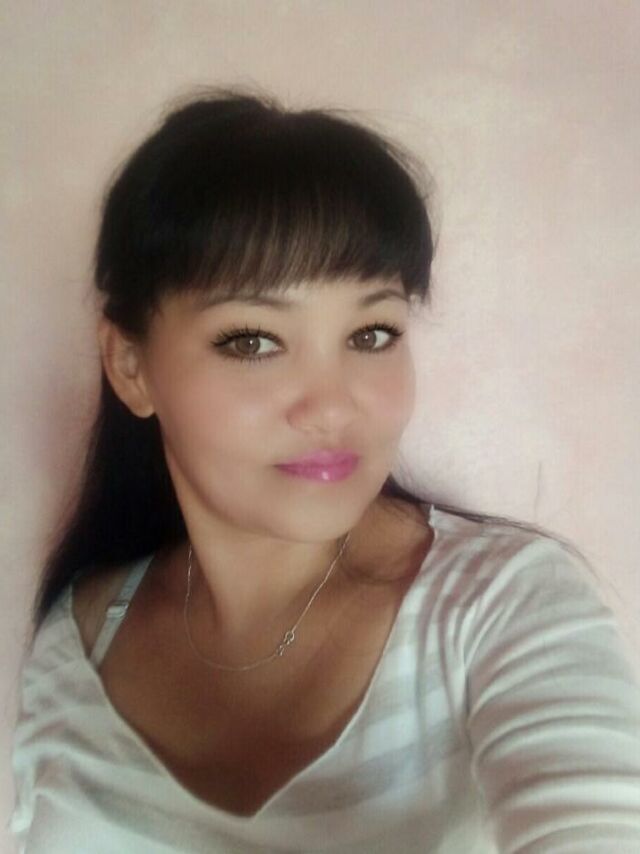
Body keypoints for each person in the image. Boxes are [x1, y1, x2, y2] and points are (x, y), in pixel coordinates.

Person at [9, 87, 640, 854]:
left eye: (372, 333)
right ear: (130, 365)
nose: (333, 405)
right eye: (252, 340)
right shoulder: (72, 645)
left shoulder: (500, 608)